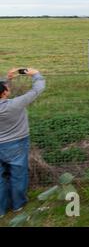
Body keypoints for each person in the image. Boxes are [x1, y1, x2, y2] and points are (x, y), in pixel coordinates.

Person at [0, 68, 45, 217]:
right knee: (18, 174)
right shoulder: (15, 104)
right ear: (5, 92)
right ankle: (18, 205)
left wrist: (8, 79)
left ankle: (1, 209)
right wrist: (35, 74)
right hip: (16, 144)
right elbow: (37, 89)